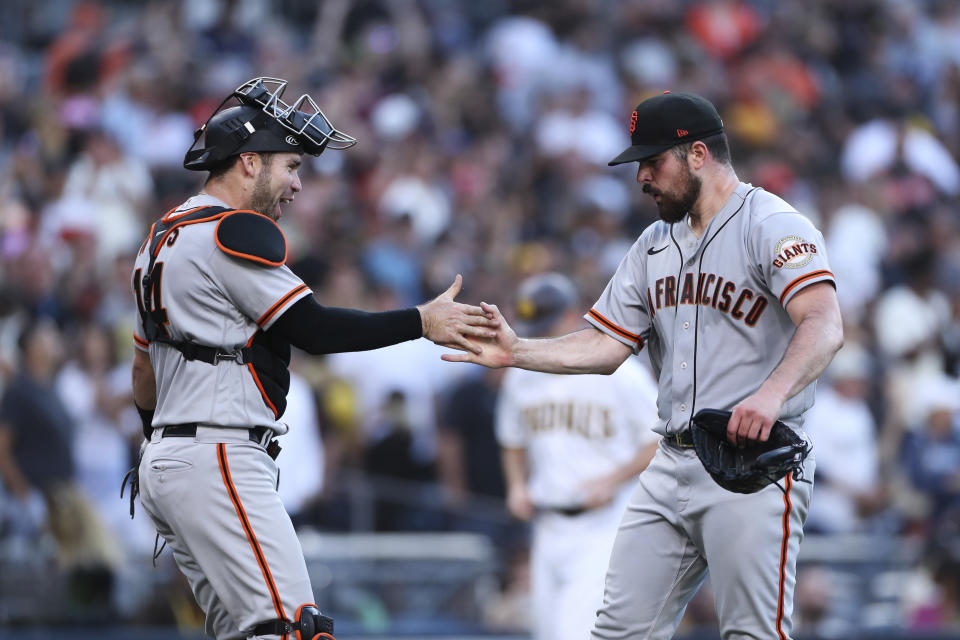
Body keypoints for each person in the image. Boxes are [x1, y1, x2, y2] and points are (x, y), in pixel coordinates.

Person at [444, 91, 844, 639]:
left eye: (653, 162)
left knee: (750, 634)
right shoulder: (654, 244)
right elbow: (606, 345)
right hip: (670, 464)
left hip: (754, 465)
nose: (642, 177)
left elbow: (824, 323)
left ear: (697, 155)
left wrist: (771, 394)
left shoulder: (771, 223)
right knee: (616, 632)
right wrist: (519, 353)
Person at [129, 77, 496, 640]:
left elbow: (142, 374)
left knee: (247, 633)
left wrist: (166, 447)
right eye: (291, 166)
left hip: (172, 458)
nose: (297, 184)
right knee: (296, 628)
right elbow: (314, 328)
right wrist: (422, 321)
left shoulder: (159, 240)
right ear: (249, 163)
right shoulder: (229, 233)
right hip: (219, 454)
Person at [494, 272, 659, 640]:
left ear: (572, 316)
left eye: (547, 322)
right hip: (547, 523)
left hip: (604, 525)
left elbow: (662, 439)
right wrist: (516, 485)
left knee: (574, 632)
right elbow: (511, 438)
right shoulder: (522, 375)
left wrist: (613, 479)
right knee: (547, 631)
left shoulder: (619, 373)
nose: (539, 332)